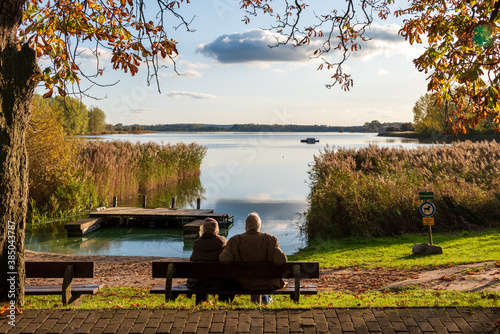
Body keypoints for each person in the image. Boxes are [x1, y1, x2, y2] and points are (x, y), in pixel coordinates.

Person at [219, 212, 287, 304]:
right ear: (259, 227)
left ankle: (263, 300)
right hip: (267, 282)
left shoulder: (235, 241)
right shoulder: (270, 240)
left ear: (246, 227)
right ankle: (265, 299)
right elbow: (281, 260)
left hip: (243, 283)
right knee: (260, 282)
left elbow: (224, 259)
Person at [186, 218, 233, 304]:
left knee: (202, 278)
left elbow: (192, 260)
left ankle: (200, 304)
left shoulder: (197, 244)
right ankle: (224, 304)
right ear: (217, 229)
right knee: (223, 281)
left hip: (200, 283)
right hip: (219, 282)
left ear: (203, 229)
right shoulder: (223, 242)